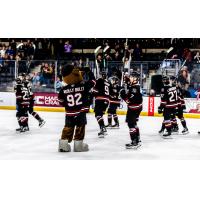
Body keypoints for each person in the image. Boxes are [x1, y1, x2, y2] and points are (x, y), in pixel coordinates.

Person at [58, 65, 95, 152]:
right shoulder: (84, 85)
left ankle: (63, 145)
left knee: (68, 128)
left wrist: (67, 105)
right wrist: (89, 72)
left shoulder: (63, 89)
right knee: (80, 128)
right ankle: (78, 145)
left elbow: (61, 102)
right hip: (80, 112)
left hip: (69, 113)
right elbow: (93, 82)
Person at [120, 71, 143, 149]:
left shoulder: (134, 88)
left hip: (133, 109)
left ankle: (134, 142)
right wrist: (127, 84)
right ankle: (137, 139)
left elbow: (129, 100)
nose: (130, 78)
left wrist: (123, 95)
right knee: (134, 123)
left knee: (131, 124)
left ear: (136, 78)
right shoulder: (135, 86)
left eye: (132, 77)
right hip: (137, 108)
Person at [92, 70, 110, 138]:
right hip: (106, 101)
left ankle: (102, 128)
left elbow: (95, 91)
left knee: (97, 115)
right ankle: (103, 128)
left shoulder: (99, 80)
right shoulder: (108, 82)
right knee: (100, 115)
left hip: (100, 99)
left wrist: (92, 92)